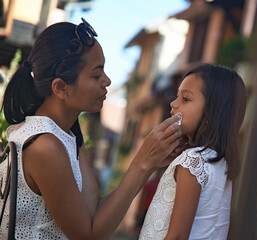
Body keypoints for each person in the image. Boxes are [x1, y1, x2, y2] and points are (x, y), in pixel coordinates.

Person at [0, 18, 183, 240]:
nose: (107, 81)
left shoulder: (67, 134)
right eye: (96, 75)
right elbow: (89, 236)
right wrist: (142, 162)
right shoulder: (44, 144)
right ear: (60, 87)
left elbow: (94, 211)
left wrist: (150, 162)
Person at [139, 63, 247, 240]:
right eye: (177, 96)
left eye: (185, 99)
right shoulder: (220, 162)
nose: (173, 104)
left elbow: (178, 236)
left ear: (212, 113)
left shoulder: (192, 160)